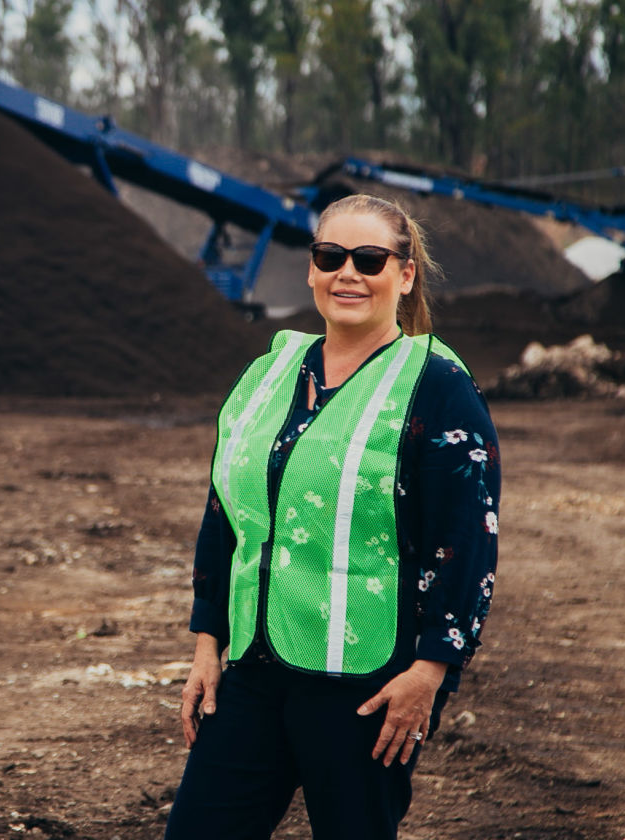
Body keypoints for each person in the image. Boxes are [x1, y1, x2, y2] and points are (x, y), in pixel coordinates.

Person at [164, 194, 499, 839]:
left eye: (370, 259)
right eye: (331, 256)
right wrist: (208, 643)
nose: (349, 273)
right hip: (254, 672)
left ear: (404, 276)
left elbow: (466, 540)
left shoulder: (436, 384)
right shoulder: (267, 373)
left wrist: (431, 671)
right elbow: (224, 513)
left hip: (368, 685)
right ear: (311, 271)